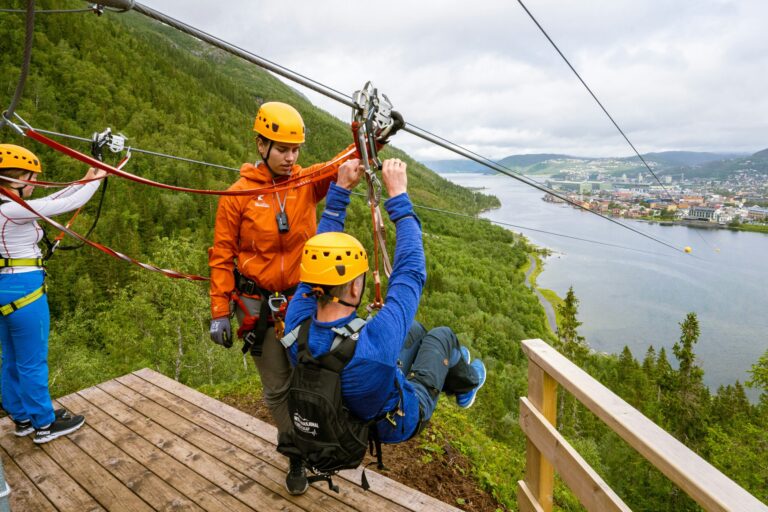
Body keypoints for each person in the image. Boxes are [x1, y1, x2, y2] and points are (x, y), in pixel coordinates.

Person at [282, 158, 486, 493]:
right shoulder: (375, 342)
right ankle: (468, 383)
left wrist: (341, 191)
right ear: (353, 288)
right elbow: (410, 273)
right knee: (442, 336)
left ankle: (453, 370)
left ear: (312, 285)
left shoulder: (297, 323)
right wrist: (399, 198)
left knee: (416, 330)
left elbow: (317, 254)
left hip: (350, 410)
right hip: (399, 419)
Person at [207, 101, 361, 494]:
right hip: (259, 306)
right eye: (282, 149)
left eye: (295, 150)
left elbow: (342, 163)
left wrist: (368, 135)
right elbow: (222, 255)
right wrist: (219, 311)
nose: (290, 158)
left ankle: (320, 440)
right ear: (261, 145)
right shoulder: (237, 196)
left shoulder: (305, 182)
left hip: (304, 300)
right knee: (277, 386)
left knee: (313, 376)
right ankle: (296, 453)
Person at [0, 143, 106, 443]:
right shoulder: (11, 209)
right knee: (32, 360)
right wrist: (100, 176)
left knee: (11, 358)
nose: (35, 184)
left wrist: (88, 174)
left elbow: (51, 199)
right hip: (24, 290)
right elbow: (65, 204)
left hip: (4, 288)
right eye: (31, 178)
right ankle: (44, 424)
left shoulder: (6, 205)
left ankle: (22, 418)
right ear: (17, 179)